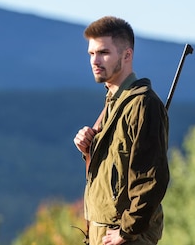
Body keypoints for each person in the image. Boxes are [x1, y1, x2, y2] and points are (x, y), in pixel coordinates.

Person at [73, 16, 170, 245]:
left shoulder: (142, 104)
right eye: (91, 54)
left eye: (103, 52)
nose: (94, 61)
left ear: (127, 55)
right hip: (101, 235)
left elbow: (152, 179)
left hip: (125, 239)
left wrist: (127, 231)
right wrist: (87, 148)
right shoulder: (113, 103)